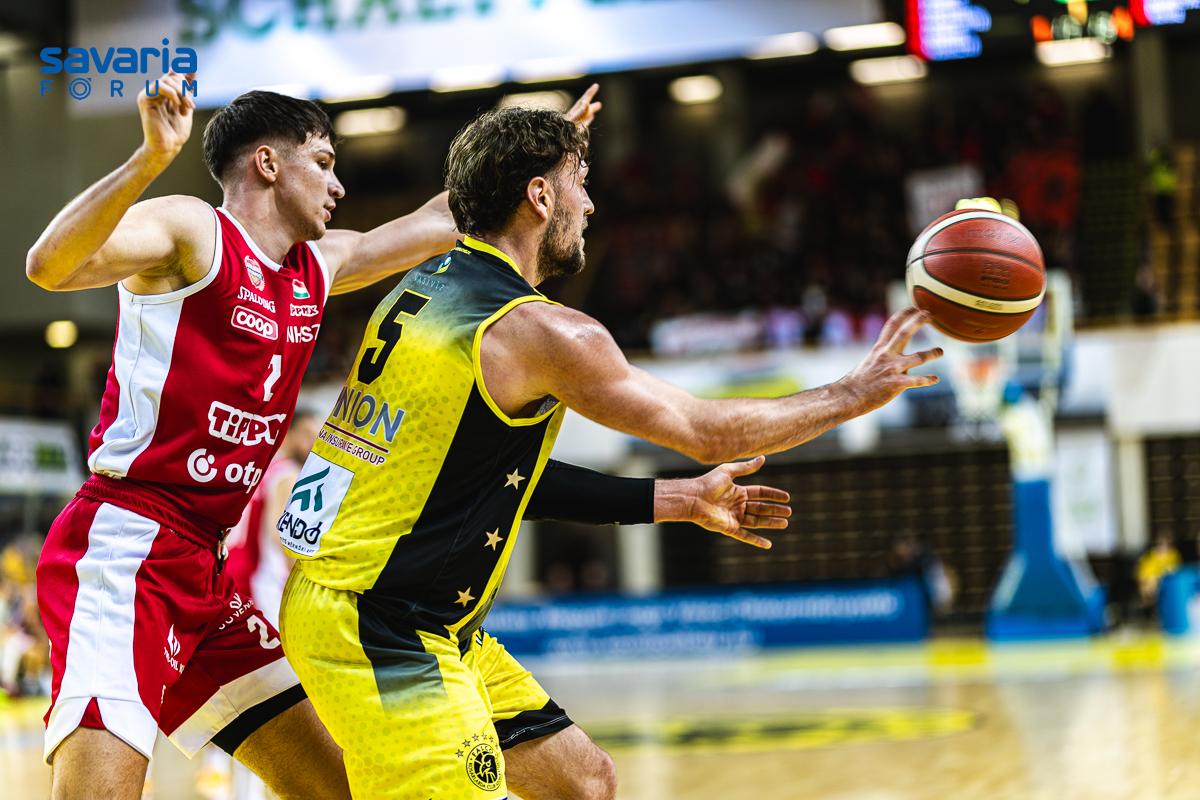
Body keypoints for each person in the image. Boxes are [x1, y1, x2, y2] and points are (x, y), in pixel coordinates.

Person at [278, 106, 943, 799]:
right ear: (540, 197)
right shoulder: (540, 332)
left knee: (585, 784)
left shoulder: (424, 286)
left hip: (410, 615)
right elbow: (708, 432)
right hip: (382, 628)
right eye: (581, 182)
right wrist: (850, 393)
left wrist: (681, 499)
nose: (590, 204)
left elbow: (491, 478)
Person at [24, 70, 622, 800]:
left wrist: (539, 157)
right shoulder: (194, 231)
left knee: (335, 787)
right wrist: (149, 159)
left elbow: (446, 216)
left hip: (204, 569)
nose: (339, 184)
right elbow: (48, 266)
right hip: (126, 549)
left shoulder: (318, 267)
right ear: (267, 163)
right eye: (324, 162)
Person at [225, 408, 322, 628]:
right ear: (288, 434)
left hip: (236, 572)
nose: (313, 443)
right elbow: (284, 536)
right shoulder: (288, 474)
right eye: (307, 434)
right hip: (262, 581)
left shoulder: (259, 468)